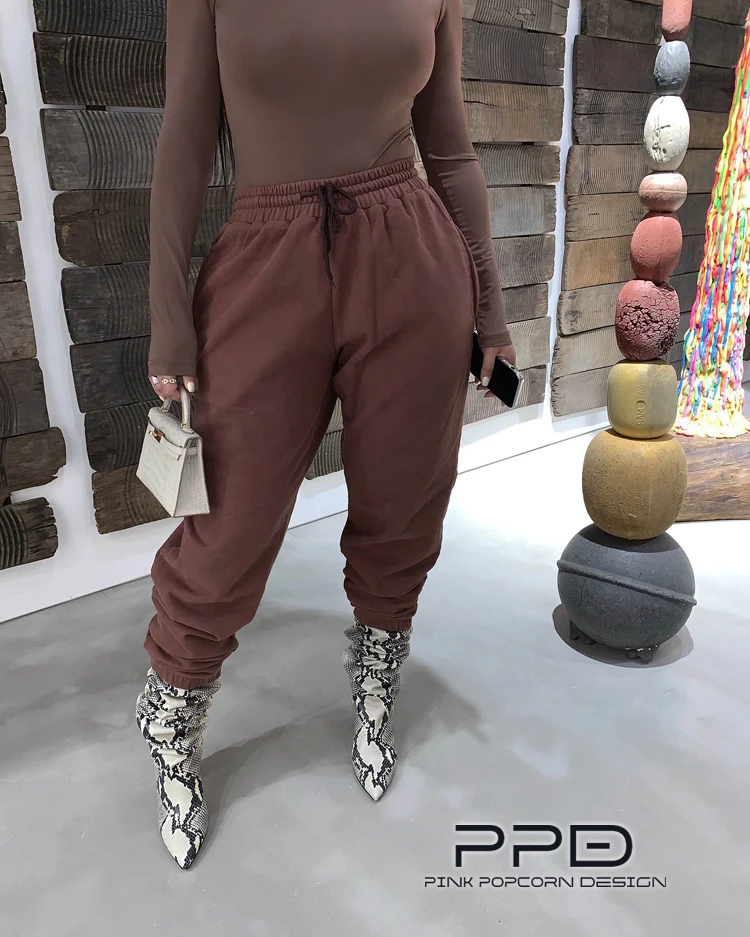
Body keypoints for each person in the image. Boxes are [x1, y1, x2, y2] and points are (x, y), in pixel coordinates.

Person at [135, 0, 516, 870]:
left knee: (404, 503)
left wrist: (491, 311)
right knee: (228, 521)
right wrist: (167, 316)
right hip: (264, 259)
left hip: (410, 258)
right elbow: (185, 138)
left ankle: (377, 679)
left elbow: (450, 149)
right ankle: (172, 711)